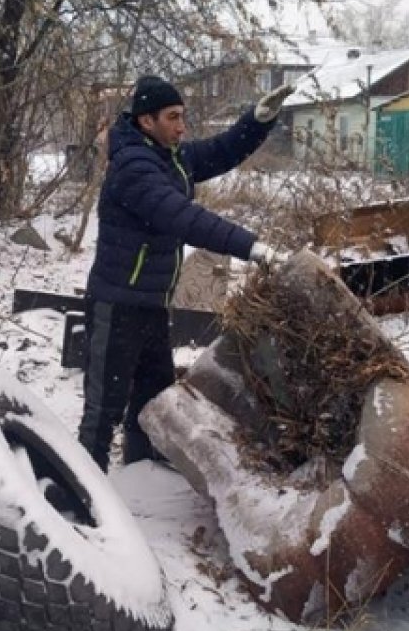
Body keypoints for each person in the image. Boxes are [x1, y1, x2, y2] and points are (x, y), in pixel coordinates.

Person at [77, 75, 295, 470]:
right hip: (117, 305)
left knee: (153, 401)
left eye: (183, 117)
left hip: (151, 306)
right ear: (147, 121)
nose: (182, 126)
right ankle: (75, 500)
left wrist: (259, 120)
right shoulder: (133, 167)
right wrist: (253, 248)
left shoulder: (168, 156)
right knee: (102, 411)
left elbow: (221, 151)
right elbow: (184, 218)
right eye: (173, 117)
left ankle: (142, 477)